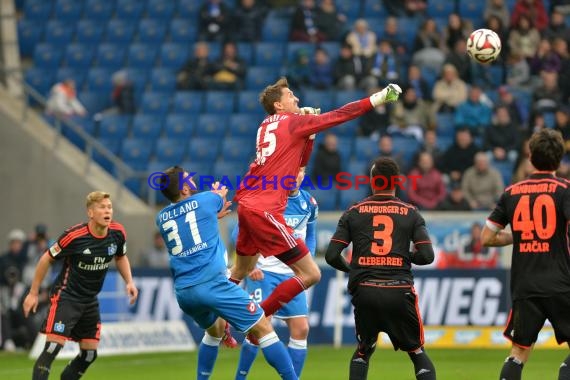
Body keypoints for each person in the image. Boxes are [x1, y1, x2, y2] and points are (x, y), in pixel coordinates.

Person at [229, 77, 402, 344]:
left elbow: (298, 167)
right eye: (291, 96)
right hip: (265, 211)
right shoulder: (292, 121)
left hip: (247, 206)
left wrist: (309, 135)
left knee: (238, 274)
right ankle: (259, 317)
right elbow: (340, 115)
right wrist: (378, 98)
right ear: (279, 104)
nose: (296, 99)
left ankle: (219, 325)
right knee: (311, 274)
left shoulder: (265, 126)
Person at [156, 167, 298, 380]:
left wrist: (212, 215)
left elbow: (190, 226)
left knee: (215, 331)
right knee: (263, 326)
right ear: (185, 188)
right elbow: (220, 196)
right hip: (212, 284)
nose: (193, 180)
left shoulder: (162, 216)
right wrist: (218, 194)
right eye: (189, 179)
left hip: (185, 293)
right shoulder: (206, 200)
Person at [325, 157, 436, 380]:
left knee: (363, 350)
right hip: (399, 291)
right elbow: (427, 256)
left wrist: (355, 268)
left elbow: (331, 255)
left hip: (365, 290)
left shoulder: (354, 212)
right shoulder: (411, 213)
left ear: (372, 181)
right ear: (396, 182)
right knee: (416, 351)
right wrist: (405, 256)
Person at [481, 128, 570, 380]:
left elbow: (486, 238)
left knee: (519, 350)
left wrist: (518, 235)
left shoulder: (512, 193)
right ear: (560, 159)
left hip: (525, 285)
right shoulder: (565, 190)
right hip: (561, 283)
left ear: (530, 157)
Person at [22, 191, 138, 380]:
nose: (108, 210)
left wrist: (129, 282)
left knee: (89, 355)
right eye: (102, 207)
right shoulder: (74, 236)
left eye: (109, 207)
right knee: (52, 348)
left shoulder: (117, 233)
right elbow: (46, 259)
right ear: (90, 213)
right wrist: (33, 293)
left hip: (90, 300)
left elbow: (120, 256)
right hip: (66, 297)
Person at [235, 167, 318, 379]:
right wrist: (251, 265)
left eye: (299, 172)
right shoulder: (268, 199)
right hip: (264, 272)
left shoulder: (309, 203)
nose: (295, 176)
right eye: (292, 171)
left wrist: (306, 263)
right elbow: (239, 232)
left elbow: (310, 236)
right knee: (259, 328)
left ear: (303, 174)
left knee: (301, 329)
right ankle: (240, 377)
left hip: (293, 276)